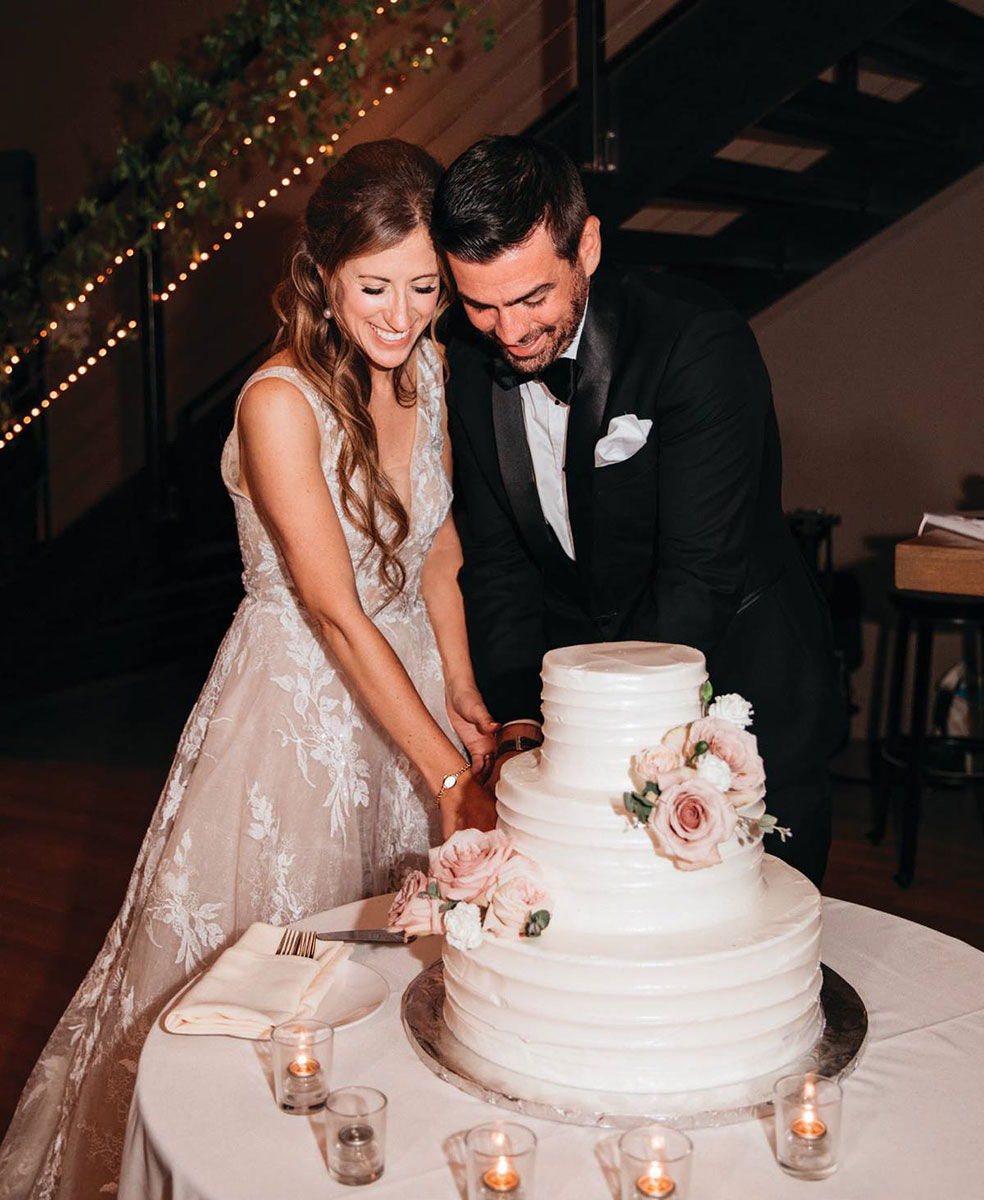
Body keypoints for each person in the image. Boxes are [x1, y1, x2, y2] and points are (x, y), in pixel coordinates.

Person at [0, 139, 496, 1200]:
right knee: (273, 991)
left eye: (426, 288)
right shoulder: (278, 402)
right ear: (321, 272)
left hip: (408, 688)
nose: (404, 316)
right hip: (303, 709)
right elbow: (332, 607)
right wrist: (451, 780)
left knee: (414, 981)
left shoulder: (436, 369)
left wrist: (460, 696)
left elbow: (441, 554)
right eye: (376, 287)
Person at [431, 135, 846, 888]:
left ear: (585, 246)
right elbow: (498, 566)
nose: (512, 333)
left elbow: (700, 578)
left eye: (532, 298)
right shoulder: (466, 362)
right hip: (576, 714)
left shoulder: (696, 343)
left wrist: (598, 740)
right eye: (481, 305)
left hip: (738, 694)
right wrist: (525, 724)